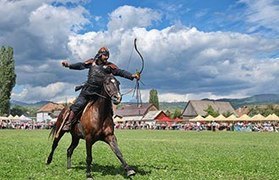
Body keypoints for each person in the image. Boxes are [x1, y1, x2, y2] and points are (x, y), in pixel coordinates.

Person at [61, 47, 140, 131]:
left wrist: (132, 76)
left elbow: (120, 72)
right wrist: (69, 65)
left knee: (108, 108)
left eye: (107, 55)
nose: (106, 57)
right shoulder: (92, 62)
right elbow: (80, 65)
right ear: (99, 55)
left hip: (100, 93)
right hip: (88, 91)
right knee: (78, 105)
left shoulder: (109, 66)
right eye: (105, 55)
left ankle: (108, 125)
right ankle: (68, 123)